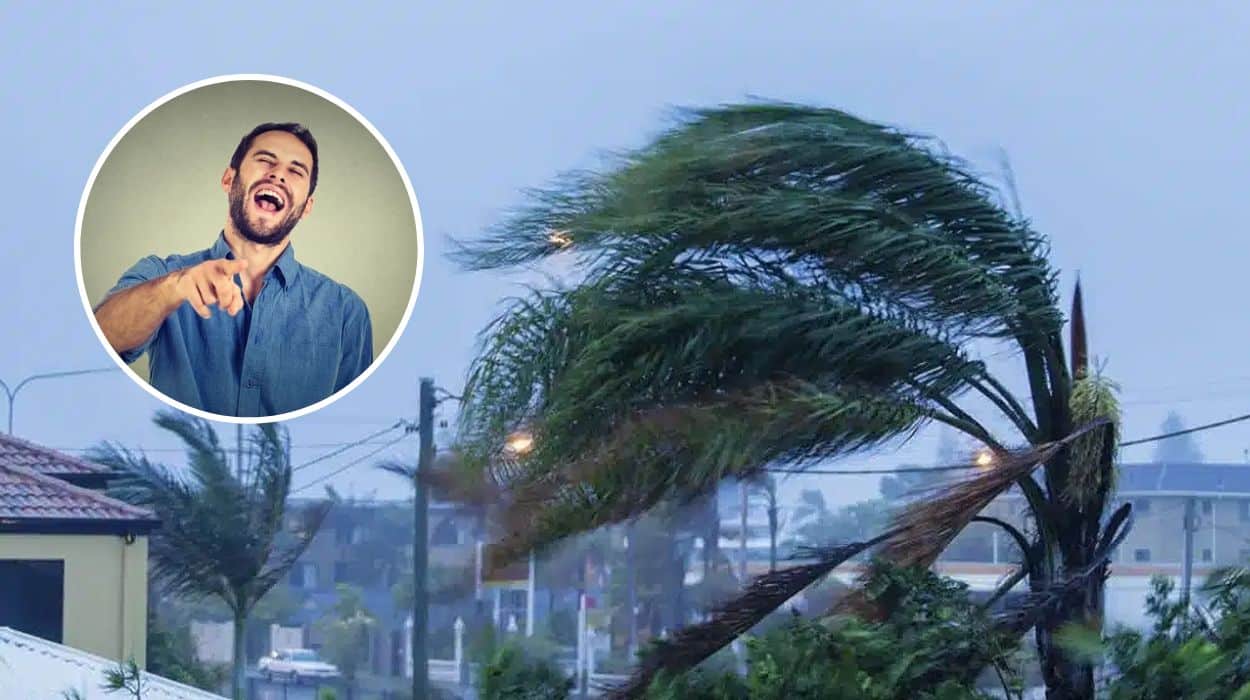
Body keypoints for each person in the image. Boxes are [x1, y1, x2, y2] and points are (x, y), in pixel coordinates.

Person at [94, 122, 373, 417]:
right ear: (229, 179)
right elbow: (101, 336)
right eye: (265, 160)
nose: (277, 174)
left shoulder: (346, 312)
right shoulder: (162, 274)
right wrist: (172, 288)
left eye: (295, 171)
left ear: (307, 206)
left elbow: (353, 421)